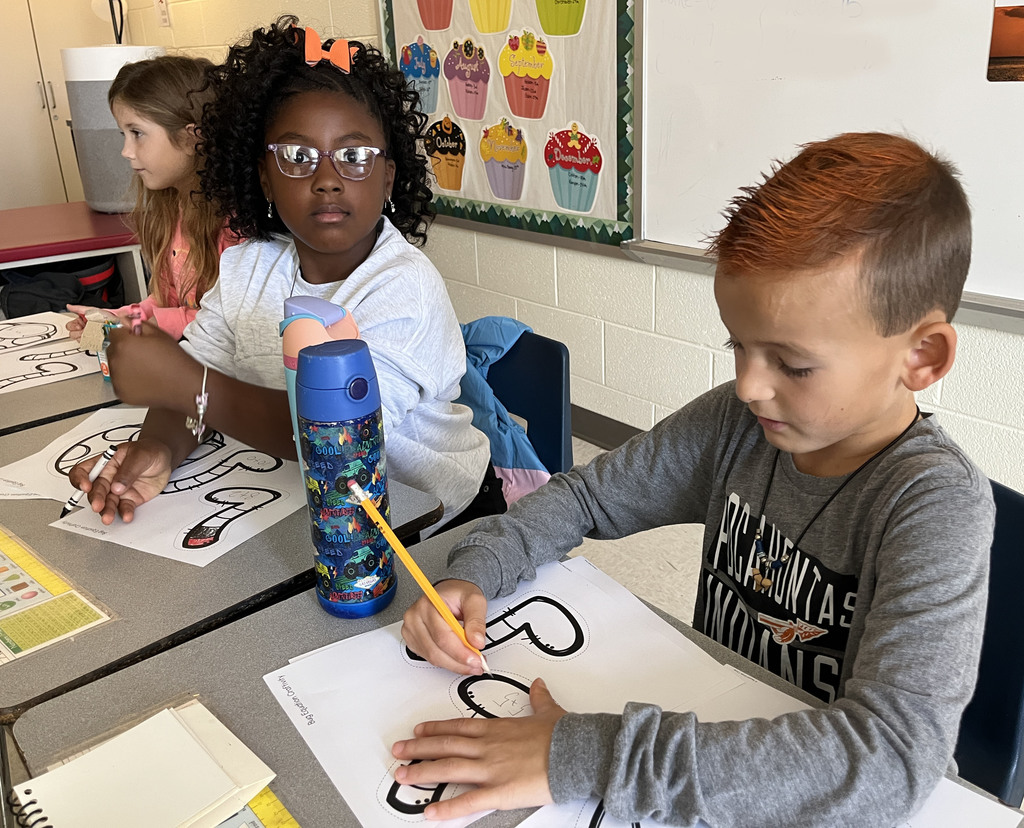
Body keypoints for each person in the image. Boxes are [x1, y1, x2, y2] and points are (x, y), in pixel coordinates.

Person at [394, 132, 996, 826]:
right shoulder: (740, 424)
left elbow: (888, 760)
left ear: (922, 356)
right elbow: (585, 496)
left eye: (792, 365)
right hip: (720, 723)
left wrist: (589, 756)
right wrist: (475, 570)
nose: (748, 386)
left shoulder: (936, 503)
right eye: (737, 345)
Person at [68, 17, 491, 533]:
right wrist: (159, 445)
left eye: (355, 156)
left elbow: (342, 441)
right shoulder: (246, 265)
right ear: (264, 177)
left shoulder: (402, 284)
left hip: (435, 518)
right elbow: (199, 374)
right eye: (297, 156)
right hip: (311, 503)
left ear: (388, 178)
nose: (328, 180)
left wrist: (188, 384)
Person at [66, 55, 238, 341]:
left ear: (192, 138)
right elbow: (166, 302)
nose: (126, 151)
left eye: (137, 133)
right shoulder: (173, 207)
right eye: (124, 133)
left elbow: (226, 320)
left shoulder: (236, 225)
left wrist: (138, 326)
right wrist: (120, 318)